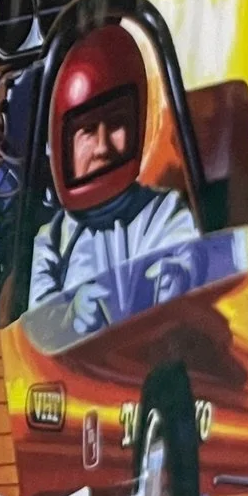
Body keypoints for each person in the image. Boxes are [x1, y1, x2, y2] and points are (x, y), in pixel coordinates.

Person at [29, 24, 200, 334]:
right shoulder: (52, 240)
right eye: (88, 131)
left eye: (116, 124)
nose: (103, 146)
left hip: (152, 354)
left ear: (137, 126)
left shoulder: (162, 212)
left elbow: (186, 253)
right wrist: (71, 315)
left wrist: (177, 277)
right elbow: (37, 331)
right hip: (81, 363)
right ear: (63, 143)